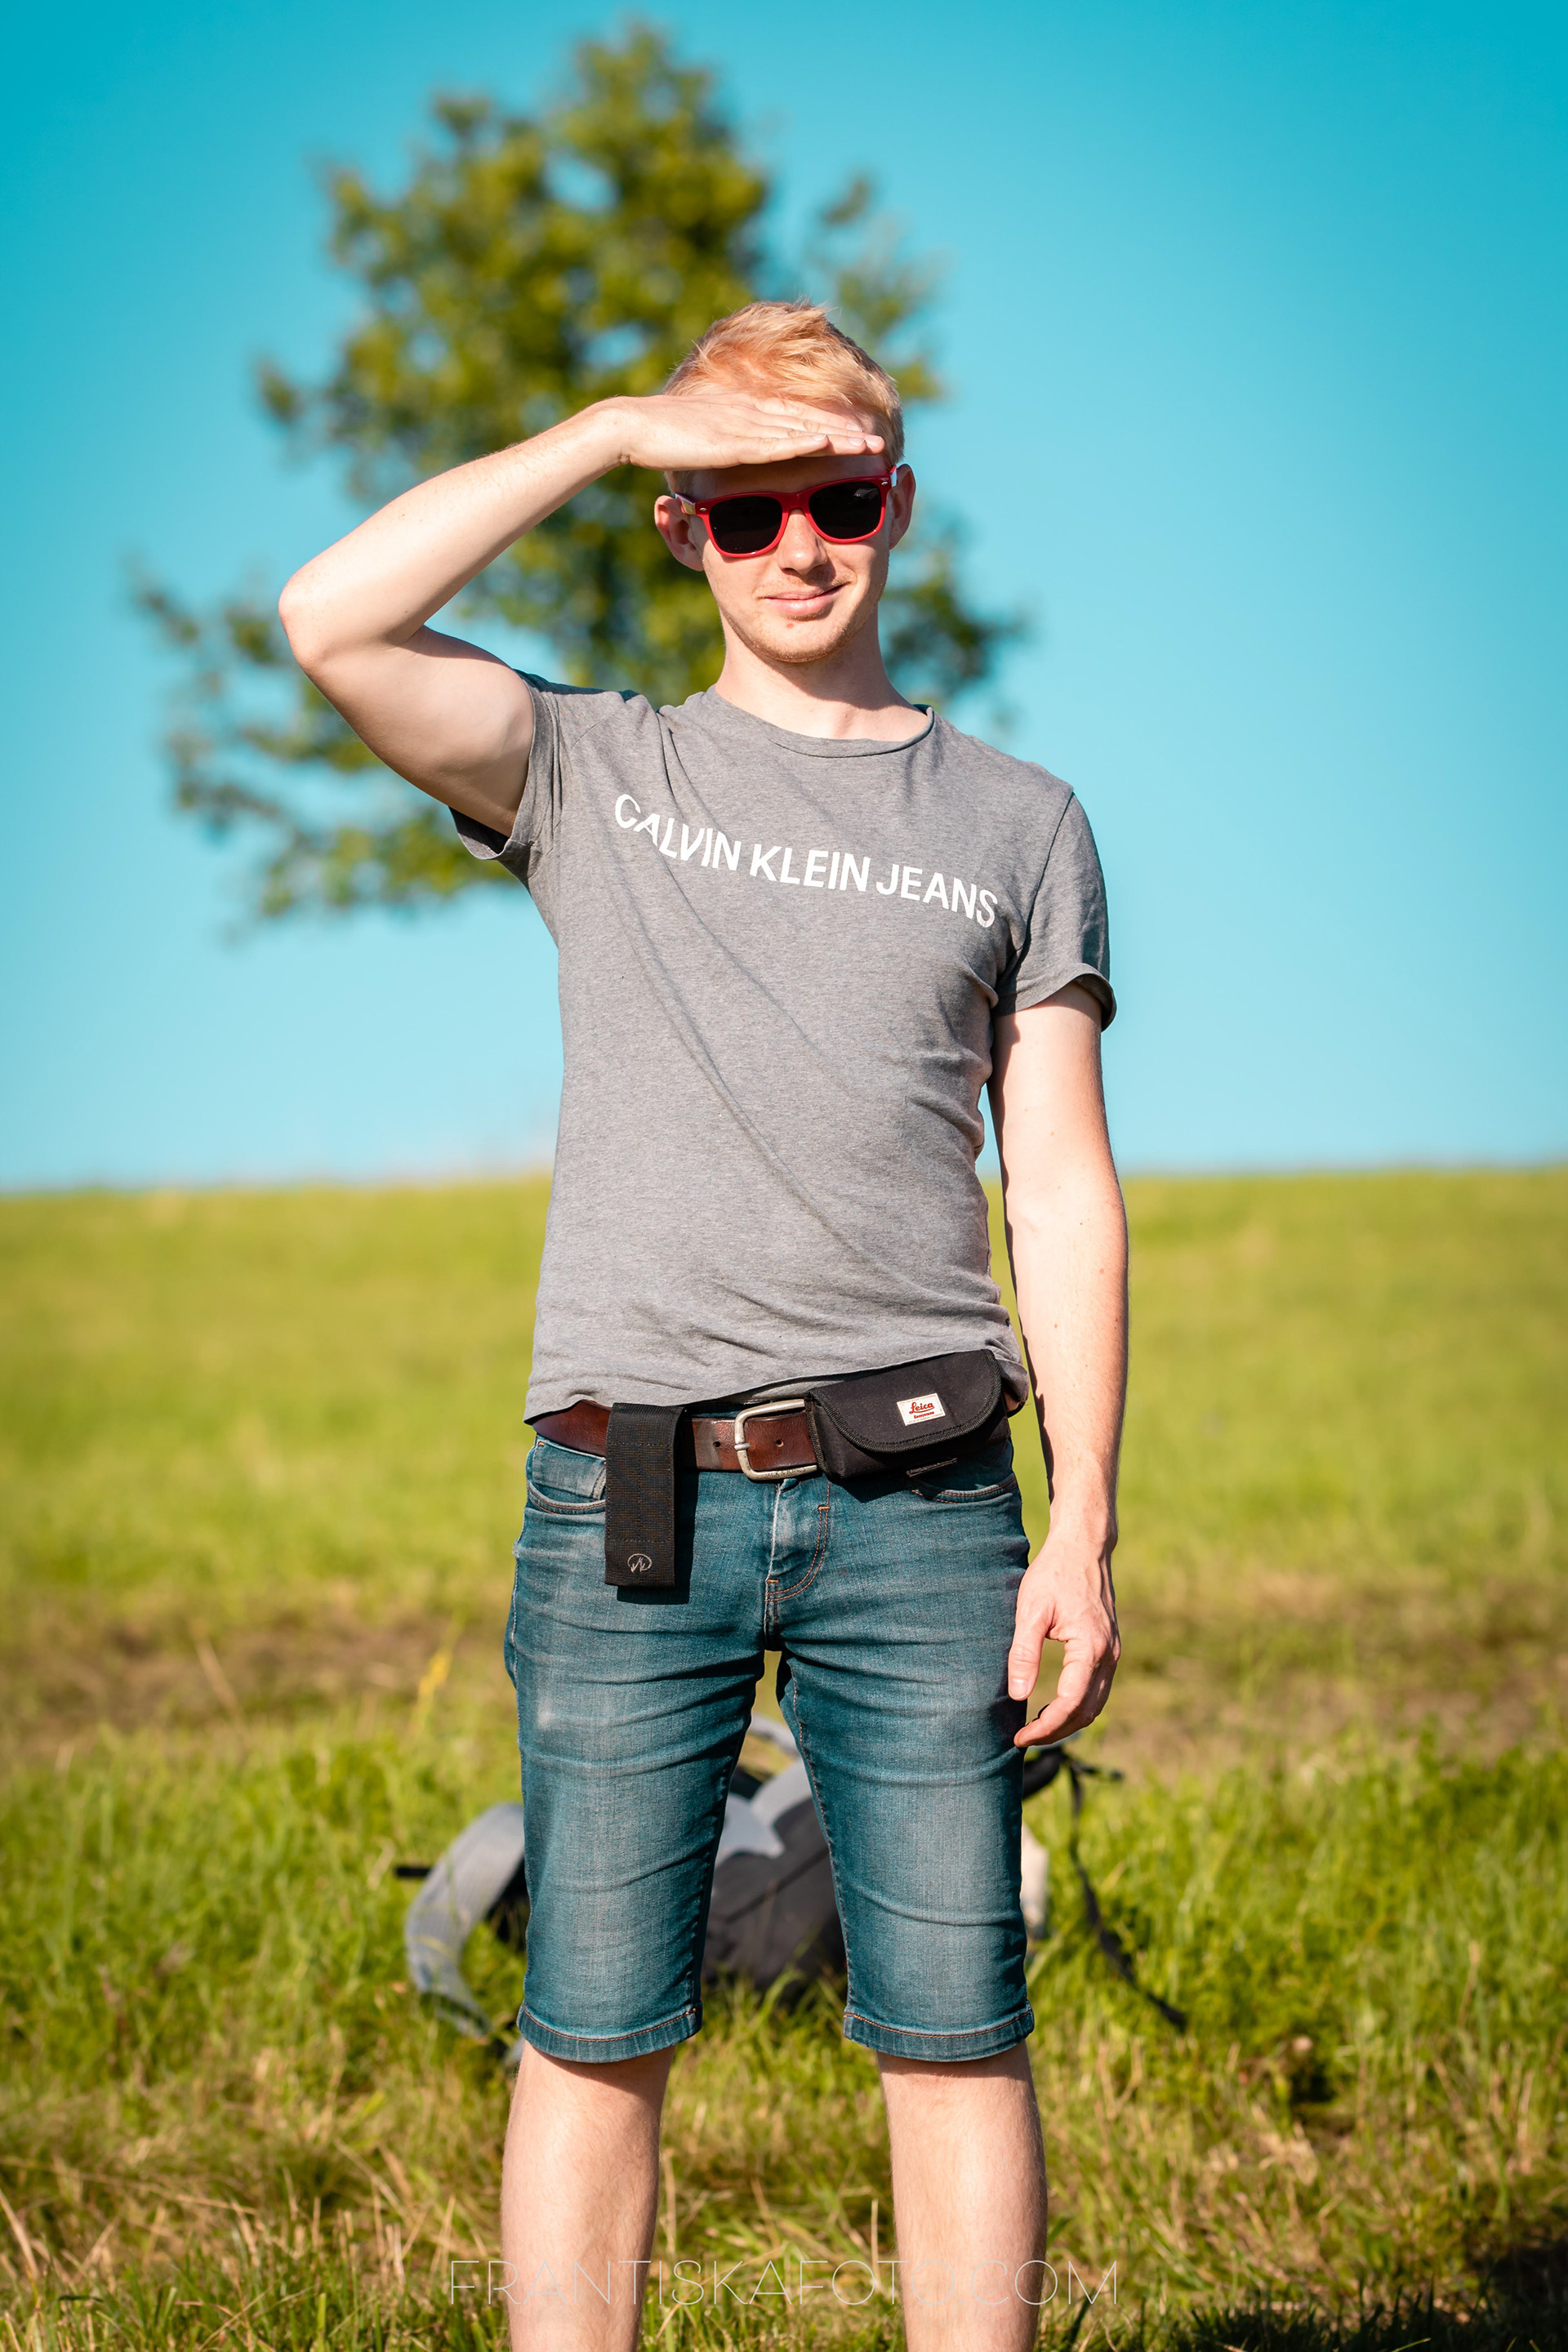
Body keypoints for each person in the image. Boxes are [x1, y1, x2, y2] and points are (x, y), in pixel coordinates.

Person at [279, 300, 1126, 2352]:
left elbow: (1064, 1187)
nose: (800, 544)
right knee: (591, 2027)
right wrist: (602, 427)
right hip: (629, 1503)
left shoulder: (1021, 822)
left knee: (958, 2028)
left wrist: (1086, 1521)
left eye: (840, 497)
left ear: (898, 504)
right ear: (685, 528)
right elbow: (329, 621)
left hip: (931, 1505)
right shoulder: (597, 768)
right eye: (748, 509)